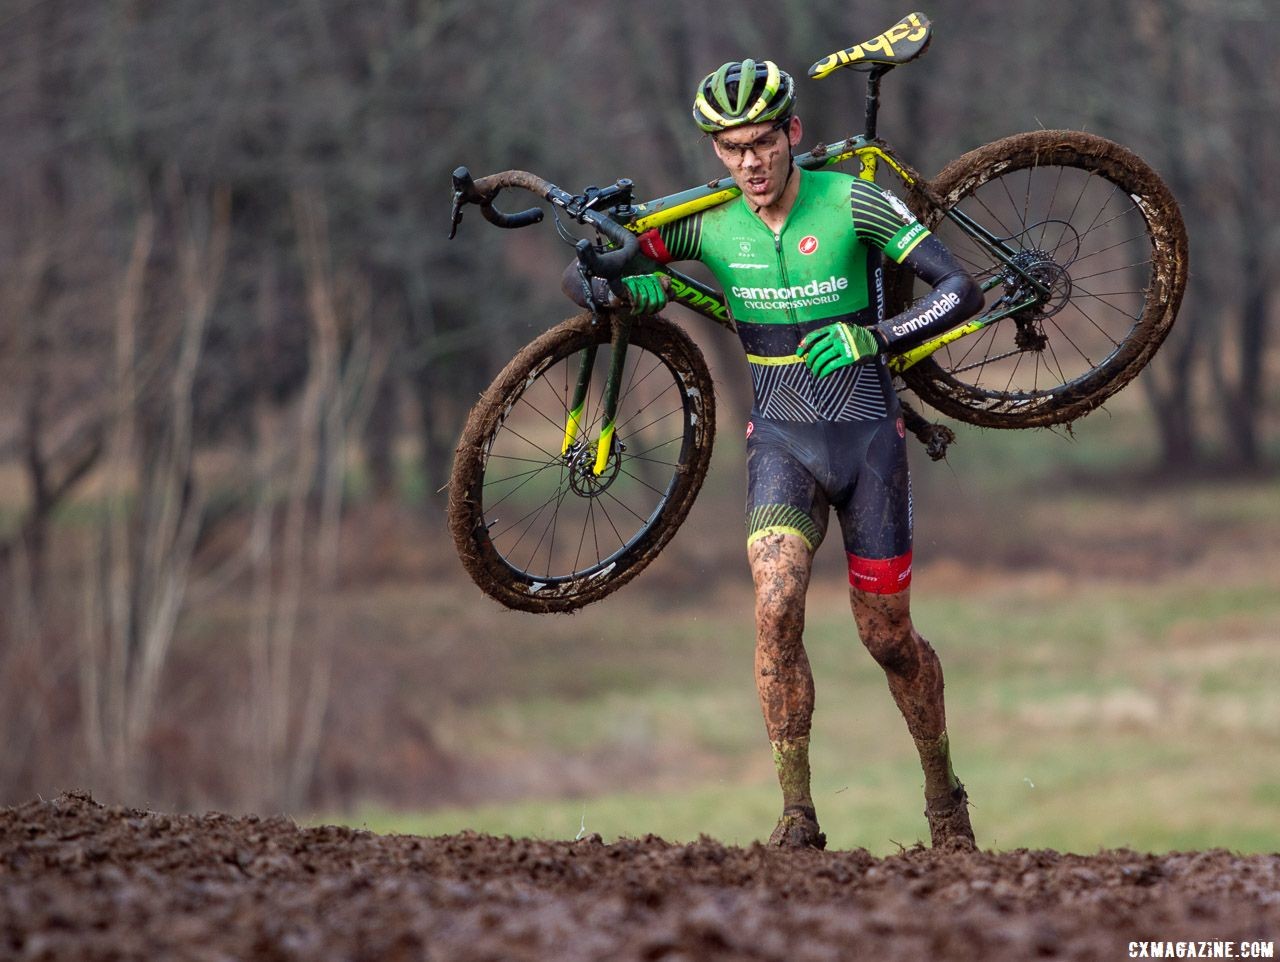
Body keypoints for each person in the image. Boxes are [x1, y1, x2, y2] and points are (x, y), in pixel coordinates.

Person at [575, 59, 981, 850]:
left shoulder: (853, 200)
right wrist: (624, 289)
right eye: (731, 149)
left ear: (793, 133)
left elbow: (958, 289)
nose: (749, 163)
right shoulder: (704, 221)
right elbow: (584, 271)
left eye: (762, 143)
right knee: (774, 604)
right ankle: (798, 815)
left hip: (869, 440)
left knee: (888, 639)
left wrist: (874, 334)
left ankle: (943, 798)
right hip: (783, 445)